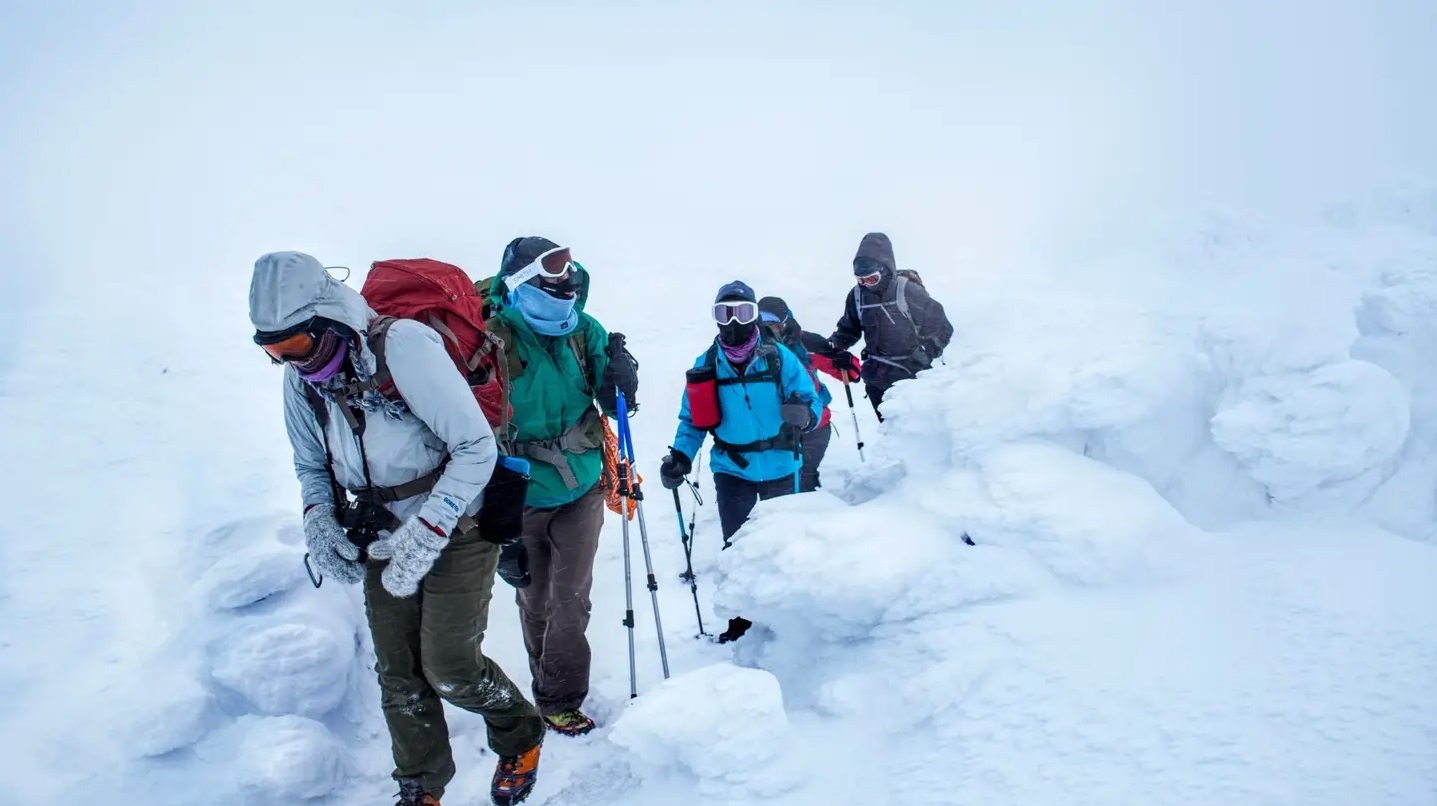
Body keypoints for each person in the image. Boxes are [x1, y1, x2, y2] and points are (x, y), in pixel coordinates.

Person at [248, 252, 546, 806]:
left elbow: (476, 446)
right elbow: (311, 465)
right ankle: (421, 782)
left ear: (328, 318)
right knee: (400, 672)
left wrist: (431, 527)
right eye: (271, 350)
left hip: (461, 522)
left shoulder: (403, 346)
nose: (287, 361)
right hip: (380, 529)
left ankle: (520, 733)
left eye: (293, 345)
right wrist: (318, 518)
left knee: (450, 667)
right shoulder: (302, 381)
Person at [482, 237, 639, 737]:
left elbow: (608, 398)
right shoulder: (491, 339)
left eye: (567, 275)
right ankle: (544, 677)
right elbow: (472, 426)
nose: (563, 285)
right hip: (519, 494)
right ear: (520, 281)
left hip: (583, 487)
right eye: (549, 277)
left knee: (570, 599)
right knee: (534, 598)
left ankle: (558, 697)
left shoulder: (583, 331)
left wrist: (622, 382)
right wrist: (495, 522)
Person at [658, 281, 823, 642]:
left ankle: (794, 613)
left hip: (781, 462)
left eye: (742, 312)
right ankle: (742, 619)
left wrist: (804, 414)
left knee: (786, 543)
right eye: (724, 313)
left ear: (754, 315)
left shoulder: (779, 357)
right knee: (737, 545)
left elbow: (813, 400)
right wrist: (681, 456)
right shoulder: (707, 366)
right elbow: (692, 420)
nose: (733, 323)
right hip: (733, 467)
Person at [821, 232, 953, 421]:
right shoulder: (857, 296)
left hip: (913, 378)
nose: (866, 285)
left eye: (871, 279)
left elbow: (942, 327)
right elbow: (849, 330)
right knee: (891, 435)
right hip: (877, 380)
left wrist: (924, 353)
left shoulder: (907, 290)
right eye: (860, 279)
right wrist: (835, 347)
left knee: (915, 434)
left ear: (885, 269)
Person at [757, 295, 858, 492]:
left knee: (802, 478)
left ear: (785, 323)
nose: (768, 331)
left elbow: (851, 373)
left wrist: (844, 361)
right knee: (777, 482)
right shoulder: (752, 347)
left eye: (774, 325)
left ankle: (810, 512)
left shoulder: (805, 343)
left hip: (813, 424)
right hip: (774, 427)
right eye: (762, 324)